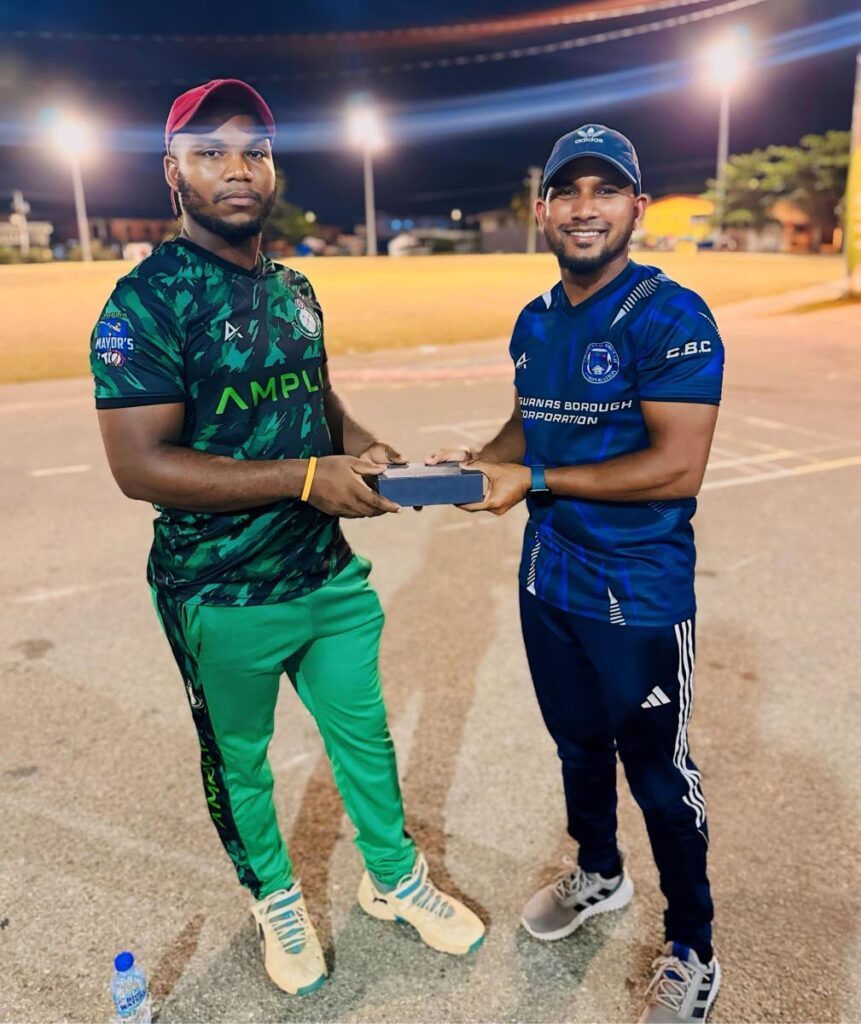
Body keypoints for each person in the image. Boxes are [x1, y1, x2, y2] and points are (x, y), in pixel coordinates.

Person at [89, 78, 484, 998]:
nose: (238, 167)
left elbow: (316, 400)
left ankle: (394, 881)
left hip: (324, 576)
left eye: (255, 151)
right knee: (242, 764)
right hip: (218, 592)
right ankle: (273, 896)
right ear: (171, 172)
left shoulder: (298, 287)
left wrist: (362, 448)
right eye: (211, 150)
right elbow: (140, 465)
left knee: (366, 743)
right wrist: (306, 478)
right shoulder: (144, 302)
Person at [428, 124, 724, 1024]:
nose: (583, 208)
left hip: (635, 589)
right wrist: (480, 460)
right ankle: (599, 872)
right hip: (548, 577)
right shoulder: (536, 318)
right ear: (543, 208)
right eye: (567, 192)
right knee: (575, 744)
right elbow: (531, 418)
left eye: (604, 191)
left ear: (635, 205)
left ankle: (692, 944)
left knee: (659, 773)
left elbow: (677, 466)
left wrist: (537, 479)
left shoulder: (672, 314)